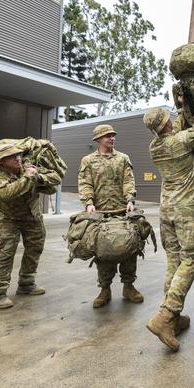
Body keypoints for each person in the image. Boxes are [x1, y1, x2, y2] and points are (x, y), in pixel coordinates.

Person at [143, 90, 194, 352]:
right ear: (165, 123)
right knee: (191, 259)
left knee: (173, 261)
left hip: (166, 211)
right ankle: (165, 315)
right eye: (169, 118)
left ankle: (173, 321)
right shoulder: (180, 141)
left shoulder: (155, 147)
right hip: (186, 210)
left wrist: (183, 105)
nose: (173, 120)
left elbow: (179, 132)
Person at [0, 142, 60, 309]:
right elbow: (5, 193)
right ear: (1, 161)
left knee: (35, 248)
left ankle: (26, 284)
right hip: (9, 218)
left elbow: (55, 177)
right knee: (5, 253)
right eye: (12, 156)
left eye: (18, 155)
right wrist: (29, 177)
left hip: (32, 216)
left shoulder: (27, 168)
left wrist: (38, 176)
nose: (18, 158)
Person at [77, 123, 143, 307]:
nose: (111, 138)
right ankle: (104, 289)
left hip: (122, 212)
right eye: (107, 136)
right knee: (103, 252)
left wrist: (130, 199)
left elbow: (128, 180)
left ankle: (129, 286)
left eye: (113, 135)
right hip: (100, 213)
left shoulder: (123, 158)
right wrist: (88, 203)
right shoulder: (88, 161)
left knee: (130, 248)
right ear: (98, 139)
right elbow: (85, 183)